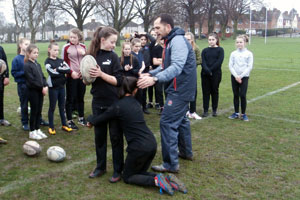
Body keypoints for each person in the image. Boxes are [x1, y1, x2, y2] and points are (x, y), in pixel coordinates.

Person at [87, 76, 187, 195]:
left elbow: (101, 118)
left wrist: (90, 120)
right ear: (135, 90)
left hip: (139, 148)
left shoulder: (118, 106)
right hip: (152, 145)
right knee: (138, 172)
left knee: (128, 177)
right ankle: (165, 179)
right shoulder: (136, 104)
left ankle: (155, 180)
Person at [137, 14, 197, 173]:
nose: (155, 31)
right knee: (181, 121)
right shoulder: (171, 41)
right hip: (180, 89)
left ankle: (171, 164)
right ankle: (186, 152)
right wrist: (150, 74)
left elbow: (176, 67)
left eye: (157, 28)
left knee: (167, 122)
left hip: (180, 90)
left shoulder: (177, 41)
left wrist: (155, 79)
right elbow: (165, 66)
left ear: (168, 27)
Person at [87, 26, 124, 183]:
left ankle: (118, 170)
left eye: (115, 42)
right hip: (98, 103)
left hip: (113, 103)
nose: (114, 45)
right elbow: (88, 81)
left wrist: (102, 74)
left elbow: (119, 81)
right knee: (100, 138)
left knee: (116, 138)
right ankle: (100, 167)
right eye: (112, 42)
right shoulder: (92, 57)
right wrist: (85, 78)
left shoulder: (114, 57)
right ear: (102, 40)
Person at [11, 38, 49, 131]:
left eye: (29, 44)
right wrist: (25, 73)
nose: (28, 45)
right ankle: (25, 122)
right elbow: (14, 73)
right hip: (23, 86)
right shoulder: (16, 59)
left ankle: (38, 119)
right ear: (20, 45)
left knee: (36, 104)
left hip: (33, 87)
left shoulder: (33, 60)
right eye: (25, 44)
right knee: (24, 104)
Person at [45, 41, 73, 135]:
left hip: (62, 87)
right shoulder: (47, 61)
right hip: (53, 88)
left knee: (62, 107)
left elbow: (68, 70)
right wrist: (61, 71)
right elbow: (52, 73)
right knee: (52, 107)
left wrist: (58, 69)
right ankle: (51, 126)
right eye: (54, 50)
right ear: (49, 50)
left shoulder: (61, 61)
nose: (57, 52)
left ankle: (64, 124)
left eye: (58, 50)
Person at [62, 28, 87, 130]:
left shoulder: (83, 47)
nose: (72, 39)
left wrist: (84, 54)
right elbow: (63, 62)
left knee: (81, 97)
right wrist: (71, 73)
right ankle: (69, 120)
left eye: (74, 37)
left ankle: (81, 118)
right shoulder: (66, 47)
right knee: (70, 98)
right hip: (71, 77)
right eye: (71, 37)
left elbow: (87, 61)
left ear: (79, 37)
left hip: (82, 76)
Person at [24, 44, 48, 140]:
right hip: (33, 92)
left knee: (39, 111)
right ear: (29, 54)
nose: (36, 54)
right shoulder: (27, 65)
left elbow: (42, 76)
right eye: (34, 53)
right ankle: (32, 131)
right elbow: (31, 81)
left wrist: (45, 85)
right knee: (34, 111)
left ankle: (37, 129)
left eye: (37, 52)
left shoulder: (37, 64)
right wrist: (41, 87)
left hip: (40, 92)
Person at [228, 35, 253, 121]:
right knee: (235, 95)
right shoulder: (233, 53)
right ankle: (236, 113)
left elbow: (249, 67)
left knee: (242, 95)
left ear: (245, 43)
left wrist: (241, 76)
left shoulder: (249, 54)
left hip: (244, 77)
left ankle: (243, 114)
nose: (239, 44)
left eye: (241, 42)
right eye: (237, 42)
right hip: (234, 77)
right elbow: (230, 65)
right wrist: (236, 76)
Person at [201, 33, 224, 117]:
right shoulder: (204, 50)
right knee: (205, 92)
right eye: (209, 40)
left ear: (216, 40)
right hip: (205, 74)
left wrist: (211, 70)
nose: (211, 41)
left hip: (215, 74)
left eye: (213, 40)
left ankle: (214, 110)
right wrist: (207, 70)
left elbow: (219, 62)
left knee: (214, 91)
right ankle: (205, 110)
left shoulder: (220, 50)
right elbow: (202, 62)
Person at [185, 32, 202, 120]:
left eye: (188, 39)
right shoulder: (181, 48)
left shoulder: (196, 48)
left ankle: (193, 111)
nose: (187, 41)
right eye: (185, 39)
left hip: (192, 73)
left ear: (192, 39)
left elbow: (199, 60)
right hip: (183, 74)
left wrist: (191, 64)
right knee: (184, 92)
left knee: (193, 92)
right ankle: (186, 110)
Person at [130, 38, 149, 114]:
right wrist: (138, 72)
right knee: (136, 93)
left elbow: (143, 63)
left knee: (143, 93)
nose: (138, 48)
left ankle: (144, 107)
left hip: (141, 75)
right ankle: (135, 109)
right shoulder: (131, 54)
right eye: (136, 46)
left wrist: (141, 70)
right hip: (134, 76)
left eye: (139, 46)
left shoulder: (140, 53)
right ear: (132, 46)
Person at [151, 37, 165, 114]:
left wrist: (160, 60)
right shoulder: (156, 48)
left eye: (164, 39)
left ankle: (169, 107)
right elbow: (154, 62)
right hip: (158, 72)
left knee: (168, 90)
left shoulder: (169, 47)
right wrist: (164, 61)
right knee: (159, 90)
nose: (162, 41)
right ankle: (162, 107)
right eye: (161, 39)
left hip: (168, 72)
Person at [0, 45, 11, 126]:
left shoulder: (0, 49)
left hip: (0, 79)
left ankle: (1, 119)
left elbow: (5, 62)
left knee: (0, 99)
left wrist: (6, 76)